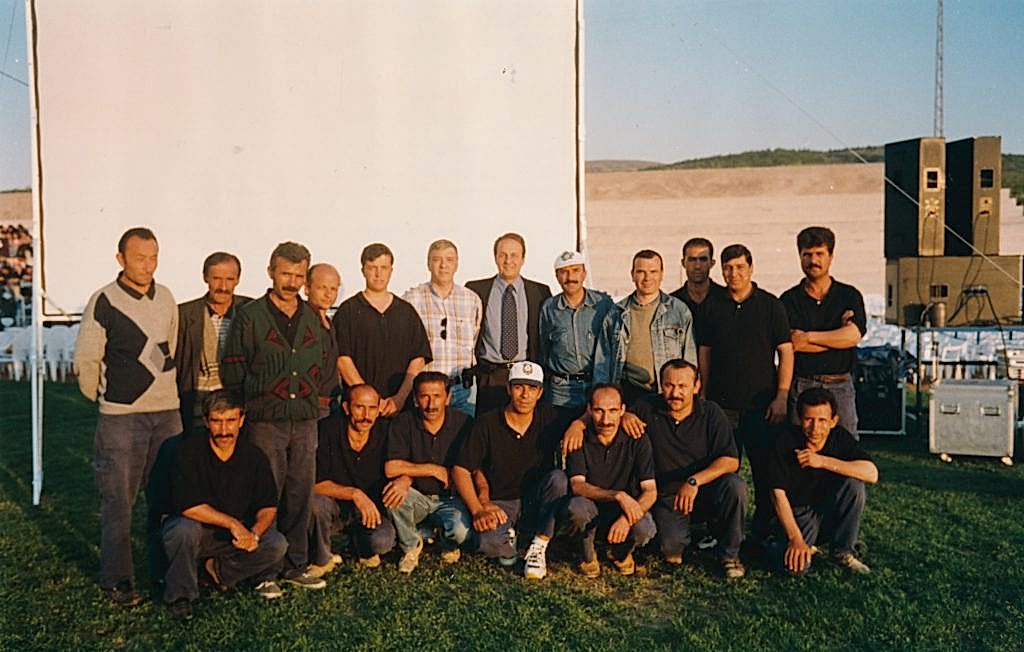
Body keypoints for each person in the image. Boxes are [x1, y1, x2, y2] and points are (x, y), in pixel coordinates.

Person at [74, 227, 181, 607]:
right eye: (139, 258)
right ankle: (117, 579)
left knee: (167, 498)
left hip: (167, 414)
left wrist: (162, 393)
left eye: (153, 258)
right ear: (120, 259)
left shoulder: (166, 297)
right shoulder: (103, 300)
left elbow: (170, 347)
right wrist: (111, 400)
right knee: (119, 502)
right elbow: (86, 360)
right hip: (122, 418)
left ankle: (163, 570)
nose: (147, 266)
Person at [220, 241, 332, 590]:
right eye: (286, 274)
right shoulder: (250, 316)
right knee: (266, 493)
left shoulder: (313, 317)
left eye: (299, 275)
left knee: (300, 492)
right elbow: (233, 368)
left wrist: (314, 400)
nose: (292, 282)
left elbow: (326, 364)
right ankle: (263, 570)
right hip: (265, 420)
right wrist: (250, 406)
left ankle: (295, 565)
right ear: (271, 272)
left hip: (305, 419)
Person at [161, 391, 288, 619]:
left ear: (241, 420)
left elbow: (268, 506)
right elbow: (188, 506)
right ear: (206, 421)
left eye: (230, 420)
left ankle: (216, 572)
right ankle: (180, 596)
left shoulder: (254, 455)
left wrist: (254, 534)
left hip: (233, 536)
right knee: (182, 530)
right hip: (197, 529)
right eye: (217, 421)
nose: (224, 430)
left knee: (277, 544)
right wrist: (232, 524)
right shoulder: (188, 451)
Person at [698, 244, 793, 540]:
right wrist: (704, 395)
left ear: (751, 268)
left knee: (765, 471)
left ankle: (763, 532)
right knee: (723, 471)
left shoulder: (771, 305)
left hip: (762, 406)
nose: (734, 273)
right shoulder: (713, 306)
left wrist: (782, 396)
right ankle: (721, 532)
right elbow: (705, 353)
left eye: (740, 267)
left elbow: (786, 352)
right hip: (723, 406)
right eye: (728, 268)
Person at [452, 361, 569, 578]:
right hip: (500, 502)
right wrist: (478, 509)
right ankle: (512, 537)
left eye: (532, 388)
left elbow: (589, 418)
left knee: (558, 479)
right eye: (518, 387)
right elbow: (461, 469)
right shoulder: (487, 422)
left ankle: (539, 543)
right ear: (508, 389)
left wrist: (579, 425)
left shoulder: (550, 418)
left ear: (540, 392)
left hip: (534, 500)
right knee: (487, 543)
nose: (525, 395)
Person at [632, 360, 747, 578]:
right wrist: (625, 417)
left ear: (696, 386)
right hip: (668, 496)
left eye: (682, 386)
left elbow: (731, 460)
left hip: (705, 488)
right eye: (669, 385)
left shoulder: (711, 412)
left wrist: (694, 481)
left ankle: (730, 554)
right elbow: (610, 409)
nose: (675, 393)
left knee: (736, 486)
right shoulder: (645, 408)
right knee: (671, 552)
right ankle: (682, 536)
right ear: (660, 385)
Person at [767, 388, 878, 575]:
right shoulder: (785, 441)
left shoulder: (840, 437)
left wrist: (822, 461)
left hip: (828, 510)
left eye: (822, 420)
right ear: (799, 419)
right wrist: (795, 539)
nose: (815, 428)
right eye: (809, 419)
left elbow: (871, 473)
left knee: (855, 485)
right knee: (795, 569)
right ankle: (774, 543)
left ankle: (843, 552)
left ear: (833, 421)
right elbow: (777, 494)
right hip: (798, 514)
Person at [780, 227, 867, 438]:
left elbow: (853, 337)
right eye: (807, 255)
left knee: (846, 444)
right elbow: (794, 344)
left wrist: (809, 337)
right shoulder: (789, 300)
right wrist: (837, 337)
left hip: (840, 385)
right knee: (799, 443)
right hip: (803, 384)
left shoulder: (848, 295)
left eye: (820, 254)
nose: (813, 261)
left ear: (831, 256)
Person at [384, 371, 474, 573]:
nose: (431, 404)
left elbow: (473, 467)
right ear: (415, 399)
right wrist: (431, 470)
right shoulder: (403, 422)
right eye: (424, 396)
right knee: (394, 494)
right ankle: (411, 546)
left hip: (451, 498)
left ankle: (444, 540)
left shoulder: (464, 423)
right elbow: (391, 467)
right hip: (418, 495)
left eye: (437, 396)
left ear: (448, 398)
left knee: (461, 533)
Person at [565, 384, 657, 577]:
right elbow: (577, 485)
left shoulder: (637, 439)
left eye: (613, 411)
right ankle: (588, 555)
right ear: (589, 410)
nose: (605, 420)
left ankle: (620, 554)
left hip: (622, 510)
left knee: (644, 527)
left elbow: (650, 491)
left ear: (623, 410)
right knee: (576, 508)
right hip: (591, 506)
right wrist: (617, 495)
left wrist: (626, 519)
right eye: (599, 411)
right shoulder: (579, 437)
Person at [333, 243, 432, 416]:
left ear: (391, 271)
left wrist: (400, 398)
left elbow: (418, 359)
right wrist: (370, 401)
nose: (378, 274)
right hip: (360, 411)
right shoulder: (348, 310)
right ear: (363, 270)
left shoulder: (406, 311)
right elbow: (342, 359)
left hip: (400, 408)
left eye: (384, 268)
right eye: (372, 268)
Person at [310, 384, 397, 570]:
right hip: (334, 507)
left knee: (383, 541)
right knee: (316, 504)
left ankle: (357, 546)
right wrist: (355, 494)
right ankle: (322, 558)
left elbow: (403, 465)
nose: (366, 415)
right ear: (346, 408)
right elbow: (314, 483)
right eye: (359, 407)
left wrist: (405, 480)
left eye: (372, 408)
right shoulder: (327, 429)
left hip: (369, 512)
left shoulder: (386, 431)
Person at [594, 249, 697, 405]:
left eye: (653, 272)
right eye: (641, 272)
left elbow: (689, 358)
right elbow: (602, 360)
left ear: (662, 274)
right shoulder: (616, 313)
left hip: (665, 393)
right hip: (627, 393)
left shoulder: (679, 311)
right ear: (632, 275)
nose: (647, 278)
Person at [466, 233, 552, 415]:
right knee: (488, 426)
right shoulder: (476, 290)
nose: (508, 261)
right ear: (495, 257)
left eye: (514, 255)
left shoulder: (540, 292)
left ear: (523, 259)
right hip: (490, 376)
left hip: (525, 376)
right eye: (502, 255)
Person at [174, 251, 251, 434]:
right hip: (197, 406)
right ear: (205, 277)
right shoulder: (184, 314)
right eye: (216, 279)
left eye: (229, 279)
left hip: (239, 406)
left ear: (238, 280)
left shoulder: (250, 311)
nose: (223, 287)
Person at [403, 239, 482, 416]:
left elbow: (475, 340)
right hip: (427, 392)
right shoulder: (412, 299)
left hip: (462, 390)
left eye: (449, 259)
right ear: (428, 264)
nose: (443, 265)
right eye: (437, 259)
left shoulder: (471, 300)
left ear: (457, 264)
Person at [538, 250, 616, 412]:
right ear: (557, 276)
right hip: (561, 392)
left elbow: (613, 346)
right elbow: (544, 347)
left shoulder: (603, 304)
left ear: (584, 273)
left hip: (596, 388)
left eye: (575, 270)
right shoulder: (549, 308)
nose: (570, 277)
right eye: (564, 272)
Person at [669, 237, 726, 340]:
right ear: (683, 263)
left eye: (703, 260)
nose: (697, 266)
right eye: (692, 260)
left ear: (712, 263)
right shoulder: (671, 304)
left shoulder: (726, 299)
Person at [304, 263, 343, 414]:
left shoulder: (329, 323)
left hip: (330, 405)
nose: (328, 294)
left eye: (333, 289)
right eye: (322, 288)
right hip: (309, 406)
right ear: (307, 288)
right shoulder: (302, 321)